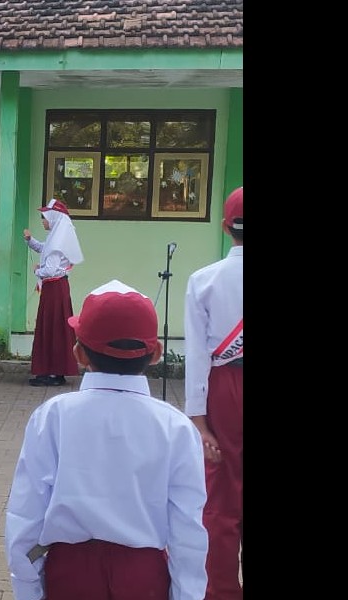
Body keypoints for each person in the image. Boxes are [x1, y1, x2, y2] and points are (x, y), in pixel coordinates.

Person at [5, 279, 208, 600]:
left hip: (69, 575)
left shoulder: (53, 416)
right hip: (144, 579)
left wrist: (28, 589)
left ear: (78, 353)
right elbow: (188, 530)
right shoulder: (177, 428)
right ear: (156, 353)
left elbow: (25, 517)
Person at [184, 186, 243, 600]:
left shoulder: (203, 281)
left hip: (224, 389)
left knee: (221, 497)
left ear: (225, 227)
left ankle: (221, 590)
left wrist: (199, 422)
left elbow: (197, 356)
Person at [23, 198, 82, 386]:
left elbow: (50, 269)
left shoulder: (57, 243)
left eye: (44, 217)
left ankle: (53, 372)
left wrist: (37, 271)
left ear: (54, 218)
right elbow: (44, 249)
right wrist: (30, 241)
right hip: (56, 288)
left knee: (53, 328)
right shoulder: (56, 238)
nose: (42, 221)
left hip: (54, 288)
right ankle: (53, 370)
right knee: (54, 328)